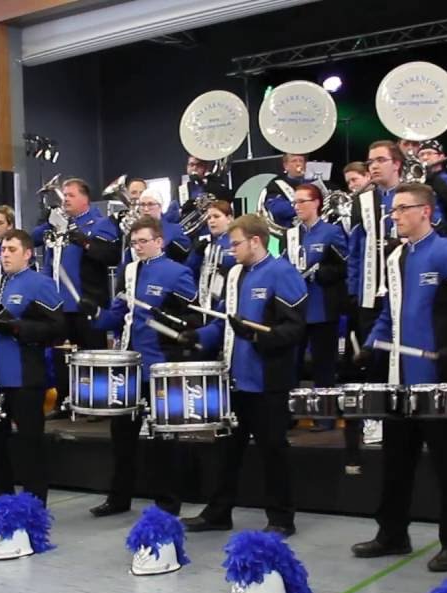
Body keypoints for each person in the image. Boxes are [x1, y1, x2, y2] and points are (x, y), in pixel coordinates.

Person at [351, 182, 447, 572]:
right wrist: (370, 344)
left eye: (401, 209)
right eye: (392, 210)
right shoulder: (395, 258)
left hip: (437, 382)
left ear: (425, 212)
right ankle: (392, 534)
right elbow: (389, 313)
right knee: (395, 461)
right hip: (400, 382)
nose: (393, 216)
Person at [178, 214, 307, 536]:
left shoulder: (283, 273)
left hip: (268, 382)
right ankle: (218, 513)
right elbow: (225, 322)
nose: (230, 249)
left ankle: (281, 519)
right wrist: (199, 337)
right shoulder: (235, 274)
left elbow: (294, 329)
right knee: (226, 453)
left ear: (256, 241)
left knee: (273, 452)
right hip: (235, 380)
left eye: (235, 243)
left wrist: (255, 337)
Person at [83, 216, 199, 516]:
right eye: (134, 243)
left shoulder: (178, 273)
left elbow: (192, 320)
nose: (138, 247)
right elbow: (119, 314)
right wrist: (95, 314)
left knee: (164, 439)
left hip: (161, 366)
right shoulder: (129, 271)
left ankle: (167, 503)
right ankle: (119, 498)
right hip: (128, 366)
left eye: (143, 242)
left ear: (159, 241)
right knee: (122, 437)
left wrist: (171, 321)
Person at [0, 229, 66, 513]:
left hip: (25, 376)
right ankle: (0, 495)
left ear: (27, 254)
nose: (5, 254)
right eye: (3, 249)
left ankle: (34, 501)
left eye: (11, 249)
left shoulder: (40, 283)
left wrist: (18, 327)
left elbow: (58, 328)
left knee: (30, 444)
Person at [34, 178, 120, 418]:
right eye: (64, 195)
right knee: (61, 356)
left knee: (93, 355)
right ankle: (64, 400)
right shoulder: (58, 224)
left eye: (70, 195)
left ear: (85, 198)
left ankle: (98, 403)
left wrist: (83, 240)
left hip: (87, 302)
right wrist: (46, 220)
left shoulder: (100, 223)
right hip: (59, 304)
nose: (66, 200)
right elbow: (32, 239)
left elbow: (110, 255)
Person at [342, 141, 404, 466]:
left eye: (380, 160)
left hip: (405, 290)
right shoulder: (361, 201)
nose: (374, 167)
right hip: (369, 291)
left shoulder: (411, 193)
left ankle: (406, 413)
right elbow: (355, 248)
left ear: (397, 163)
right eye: (370, 162)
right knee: (372, 354)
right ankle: (375, 417)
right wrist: (354, 289)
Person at [285, 183, 349, 432]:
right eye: (295, 202)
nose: (297, 206)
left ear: (316, 203)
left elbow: (344, 266)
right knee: (292, 364)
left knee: (324, 366)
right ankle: (290, 414)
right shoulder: (292, 234)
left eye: (302, 201)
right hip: (295, 309)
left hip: (322, 308)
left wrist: (321, 273)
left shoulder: (331, 232)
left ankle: (325, 416)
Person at [188, 200, 237, 311]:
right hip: (206, 301)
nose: (211, 221)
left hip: (229, 300)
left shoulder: (236, 242)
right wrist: (197, 254)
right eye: (209, 218)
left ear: (229, 218)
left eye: (216, 216)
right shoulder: (207, 244)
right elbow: (189, 270)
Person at [135, 188, 191, 263]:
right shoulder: (135, 231)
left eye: (150, 204)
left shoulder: (174, 229)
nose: (146, 209)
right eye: (142, 205)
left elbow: (186, 256)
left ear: (160, 207)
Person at [261, 153, 310, 230]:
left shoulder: (312, 183)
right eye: (294, 161)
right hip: (290, 231)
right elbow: (277, 209)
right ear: (286, 166)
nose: (298, 164)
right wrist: (306, 204)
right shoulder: (276, 185)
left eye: (301, 161)